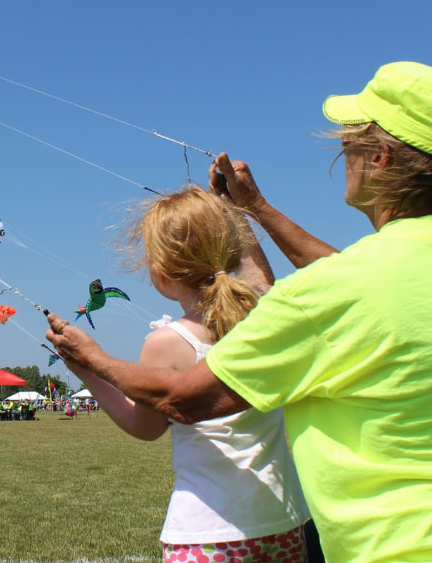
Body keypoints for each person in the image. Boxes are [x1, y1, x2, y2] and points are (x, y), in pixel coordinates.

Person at [47, 61, 432, 563]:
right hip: (290, 526)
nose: (343, 154)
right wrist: (252, 209)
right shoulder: (364, 279)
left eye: (349, 145)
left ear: (379, 157)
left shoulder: (340, 289)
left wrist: (90, 360)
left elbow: (183, 401)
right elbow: (345, 277)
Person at [67, 185, 310, 562]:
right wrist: (233, 208)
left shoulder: (167, 342)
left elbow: (145, 427)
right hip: (284, 524)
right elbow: (261, 279)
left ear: (161, 275)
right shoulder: (262, 316)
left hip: (208, 534)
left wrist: (88, 371)